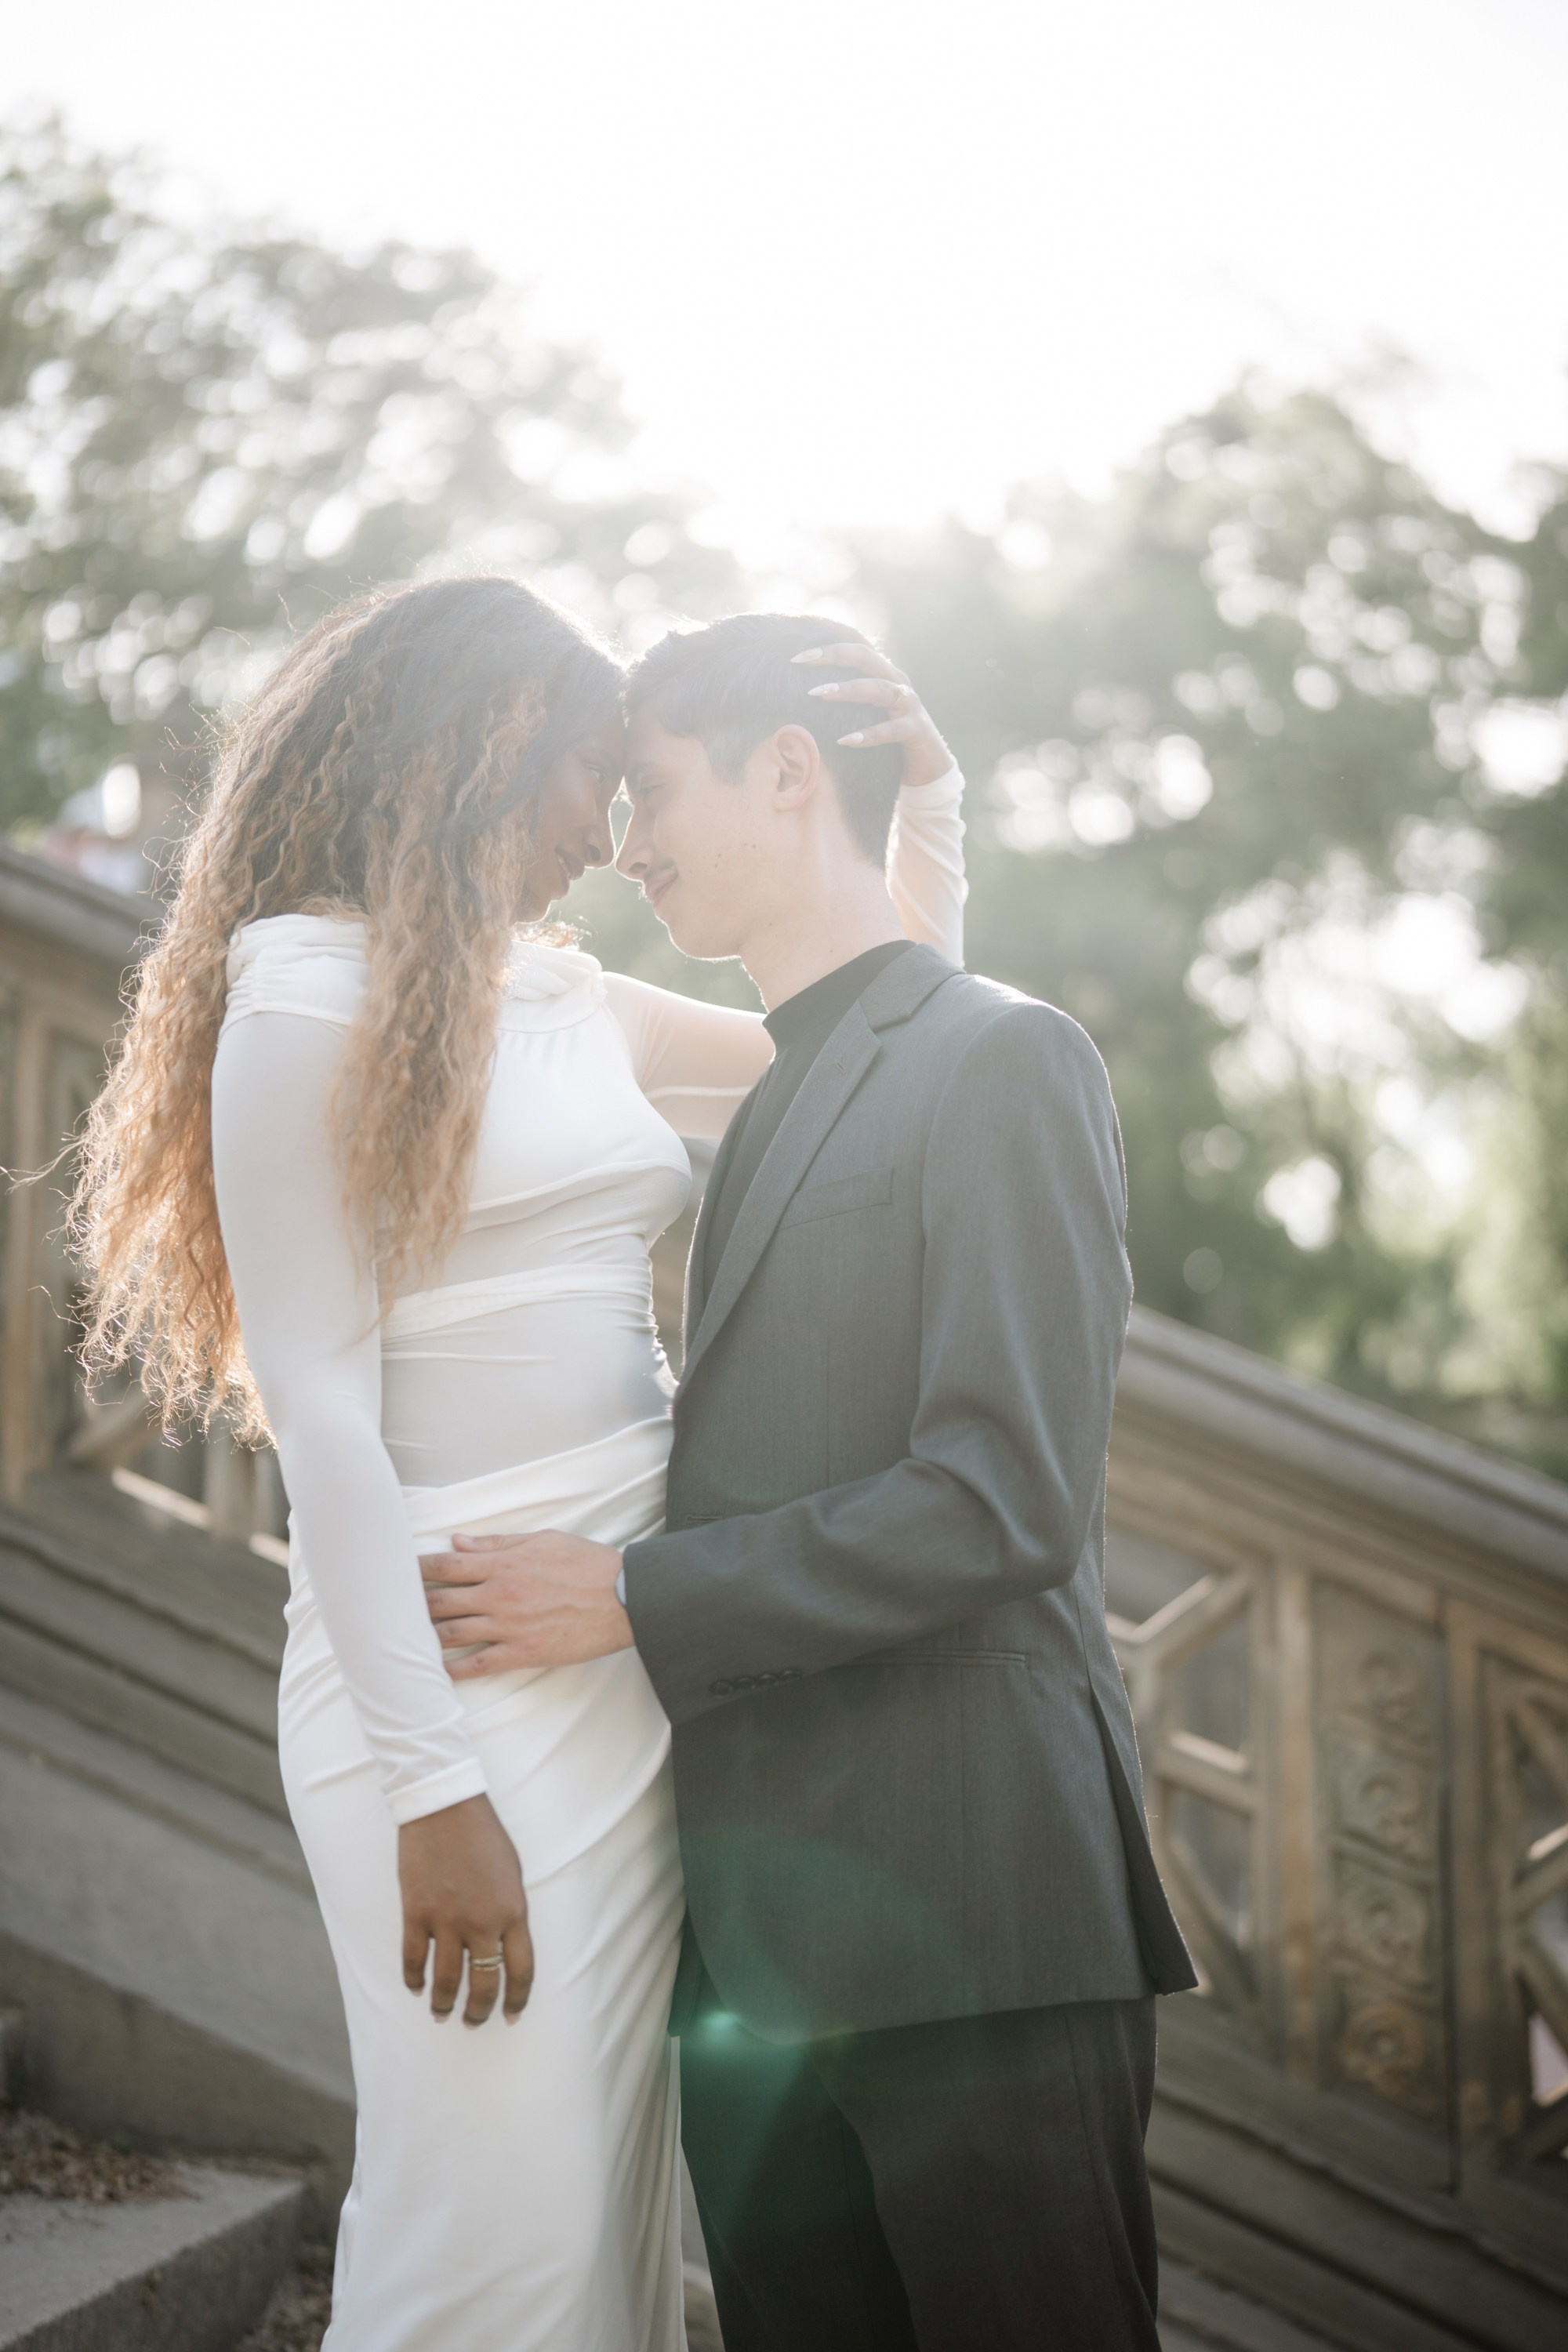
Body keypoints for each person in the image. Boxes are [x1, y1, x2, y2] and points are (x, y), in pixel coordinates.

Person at [70, 576, 965, 2352]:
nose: (616, 831)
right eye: (594, 776)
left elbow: (890, 1053)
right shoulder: (302, 1002)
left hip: (627, 1659)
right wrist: (432, 1795)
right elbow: (320, 1414)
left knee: (597, 2240)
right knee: (494, 2237)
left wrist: (923, 815)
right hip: (456, 1682)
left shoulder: (564, 1001)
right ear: (488, 751)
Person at [423, 611, 1197, 2351]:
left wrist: (627, 1596)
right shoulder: (777, 1092)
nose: (623, 847)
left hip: (978, 1924)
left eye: (655, 793)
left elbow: (1001, 1499)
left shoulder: (1009, 1057)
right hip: (752, 1965)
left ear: (789, 773)